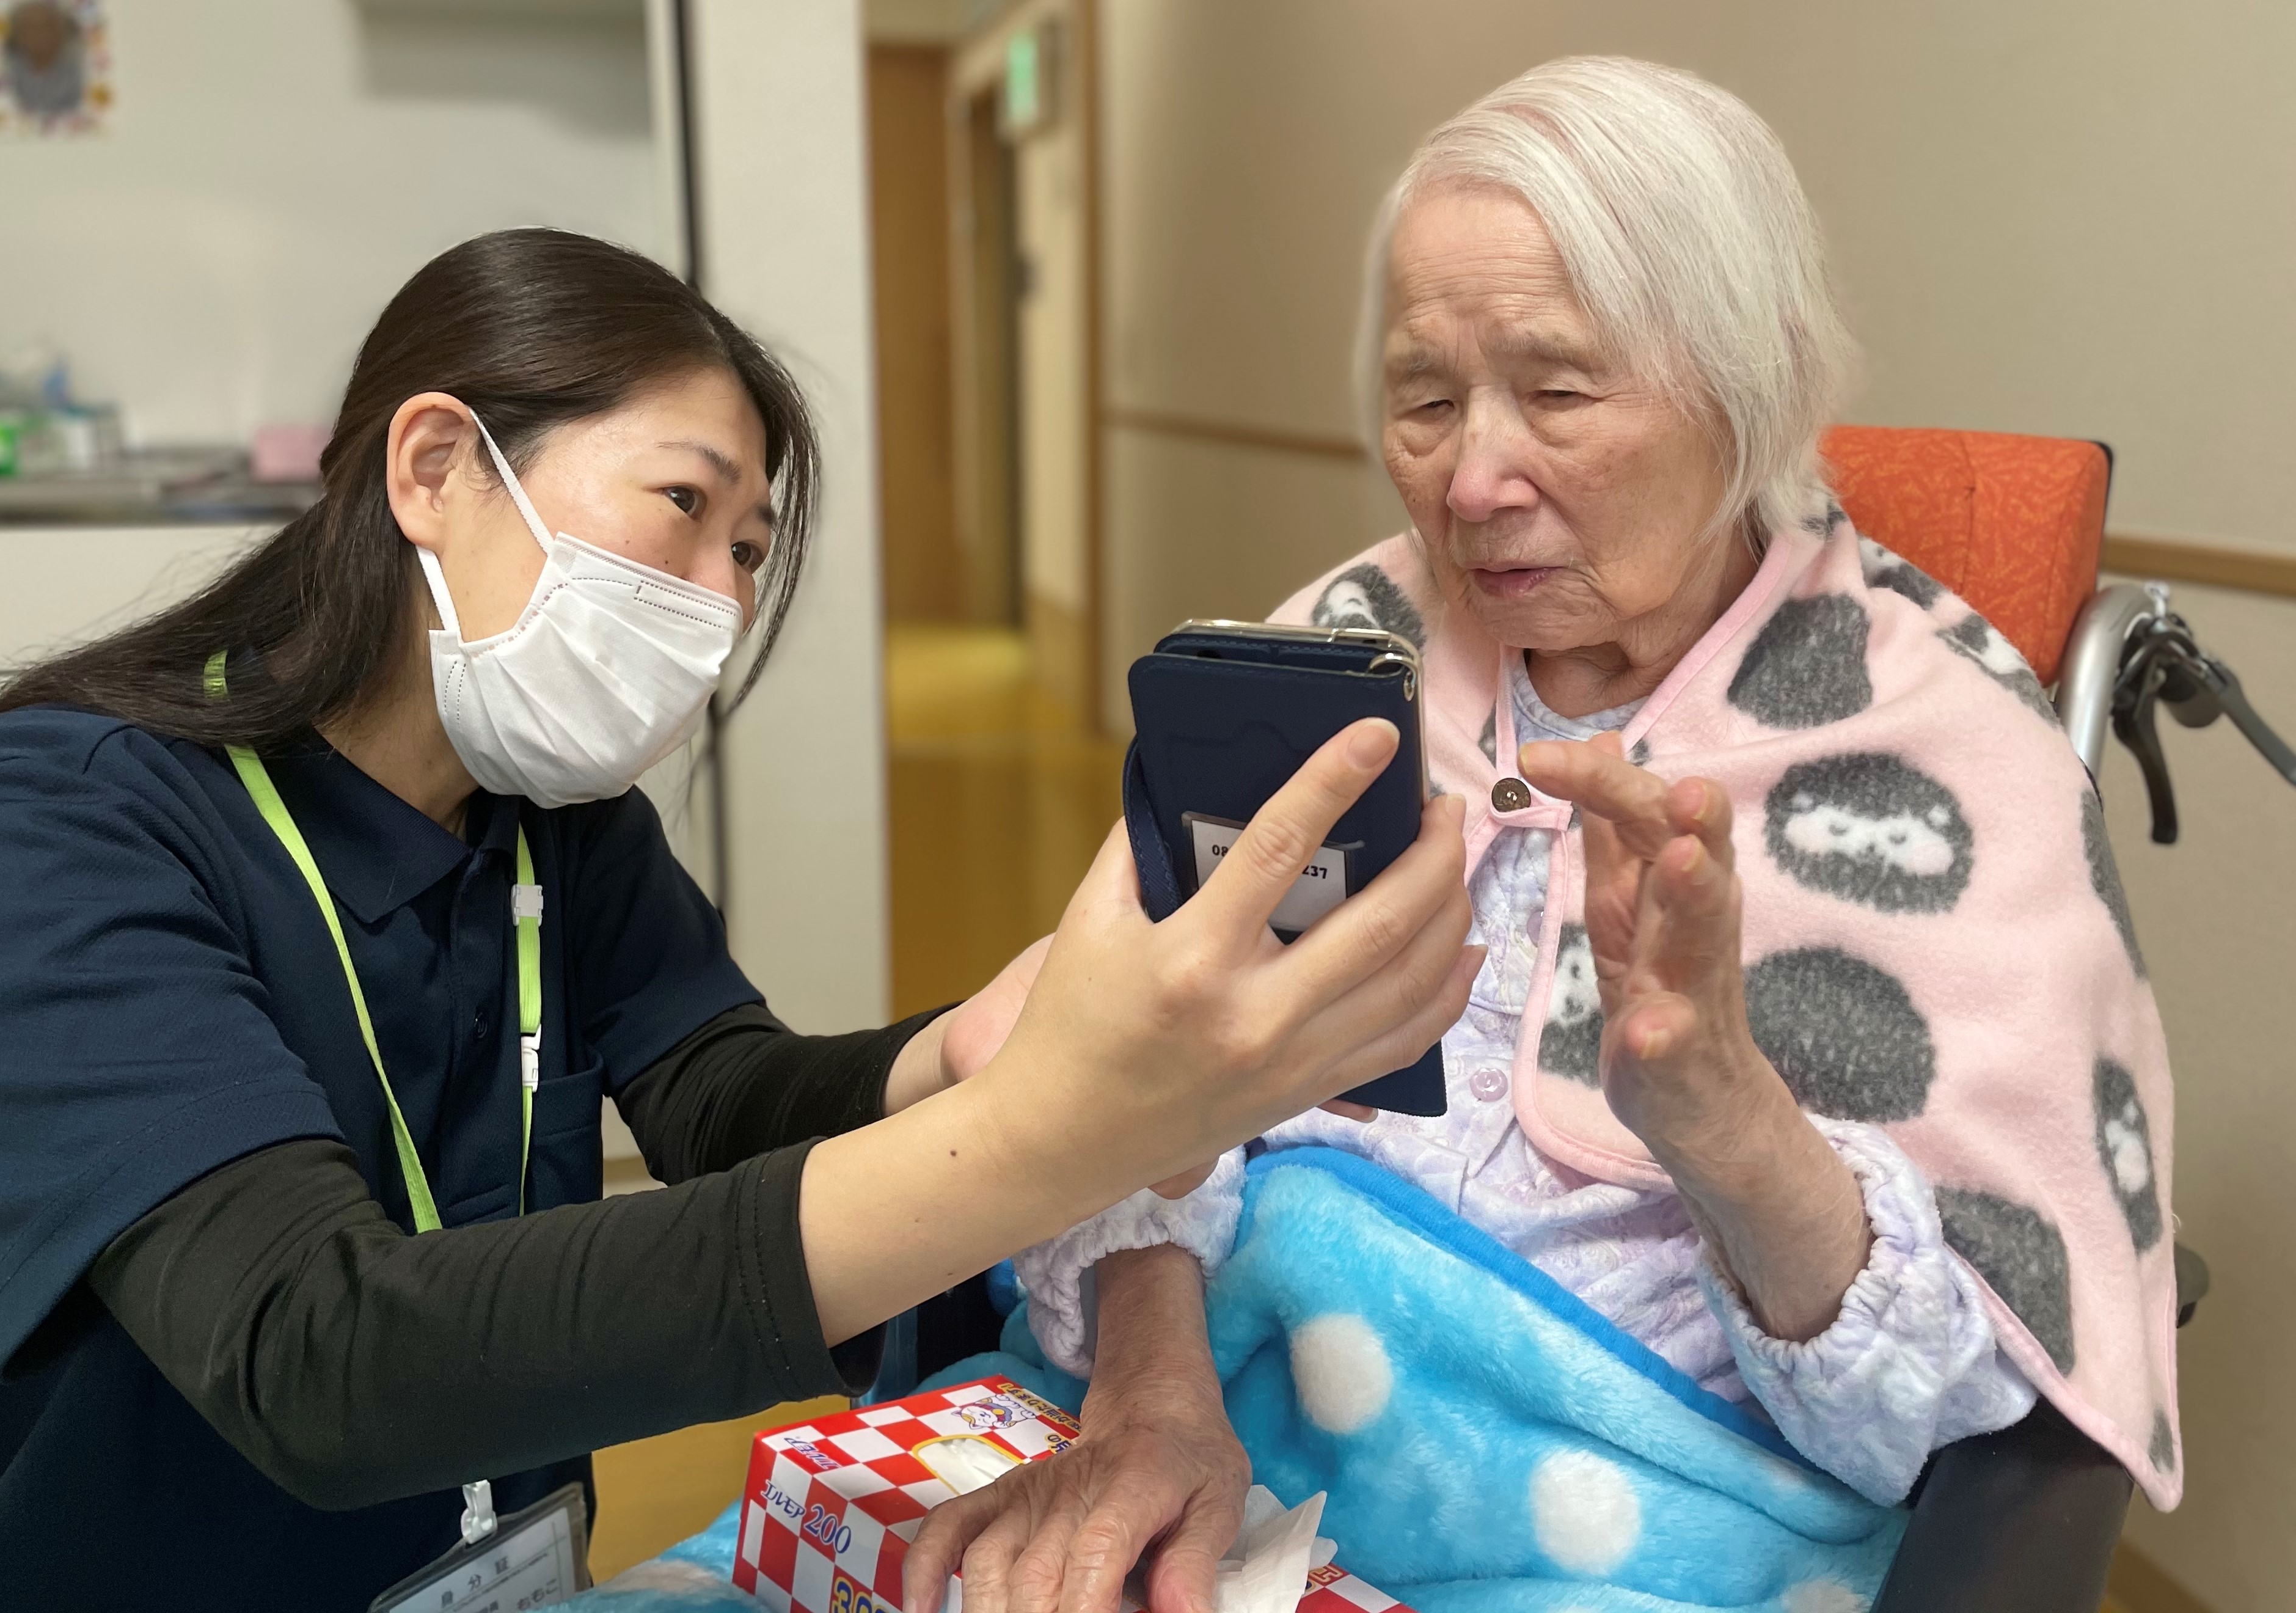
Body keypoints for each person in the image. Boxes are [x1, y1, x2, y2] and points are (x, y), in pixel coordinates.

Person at [0, 229, 1480, 1609]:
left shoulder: (559, 830)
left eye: (745, 549)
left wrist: (963, 1054)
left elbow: (723, 1098)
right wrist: (1044, 1139)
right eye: (683, 506)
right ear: (434, 471)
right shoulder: (41, 830)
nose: (720, 603)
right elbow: (318, 1358)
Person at [907, 57, 2180, 1613]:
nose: (1470, 479)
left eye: (1560, 393)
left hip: (1634, 1521)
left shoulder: (1943, 761)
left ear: (1754, 386)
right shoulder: (1338, 652)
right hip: (1197, 1407)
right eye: (1426, 401)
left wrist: (1722, 1115)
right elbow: (1123, 1082)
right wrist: (1152, 1400)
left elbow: (1940, 1434)